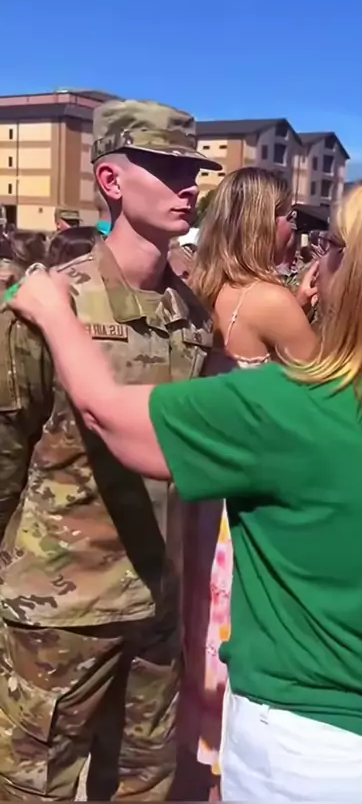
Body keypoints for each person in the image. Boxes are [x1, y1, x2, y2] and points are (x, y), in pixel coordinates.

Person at [7, 173, 362, 803]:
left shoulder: (289, 409)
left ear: (360, 274)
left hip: (306, 750)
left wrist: (52, 312)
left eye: (332, 246)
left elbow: (108, 415)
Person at [0, 97, 219, 801]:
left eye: (191, 171)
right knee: (34, 790)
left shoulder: (193, 316)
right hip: (59, 612)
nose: (187, 186)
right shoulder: (49, 306)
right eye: (166, 169)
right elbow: (6, 452)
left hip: (154, 609)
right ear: (112, 181)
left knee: (144, 786)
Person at [185, 167, 318, 794]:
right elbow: (322, 391)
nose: (295, 227)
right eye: (288, 214)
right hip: (249, 498)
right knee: (232, 622)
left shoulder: (198, 285)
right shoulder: (270, 300)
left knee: (198, 623)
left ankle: (196, 753)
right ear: (264, 222)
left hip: (201, 488)